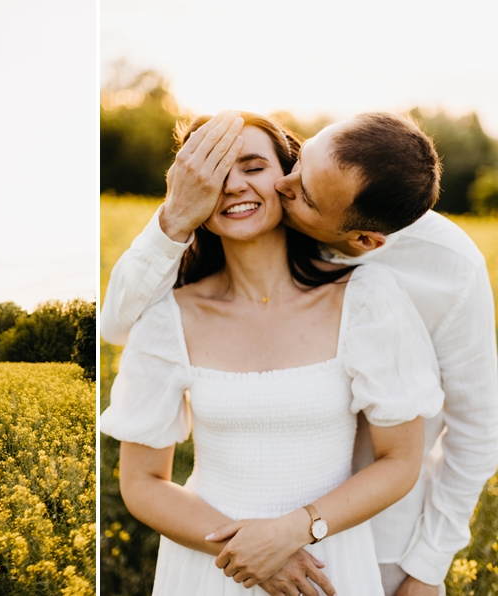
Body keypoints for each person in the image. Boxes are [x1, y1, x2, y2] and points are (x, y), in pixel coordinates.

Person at [101, 110, 498, 596]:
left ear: (360, 240)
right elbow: (119, 327)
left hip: (372, 543)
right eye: (298, 165)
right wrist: (178, 214)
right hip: (214, 566)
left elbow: (475, 431)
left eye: (255, 169)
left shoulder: (405, 280)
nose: (284, 188)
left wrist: (428, 567)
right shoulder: (174, 303)